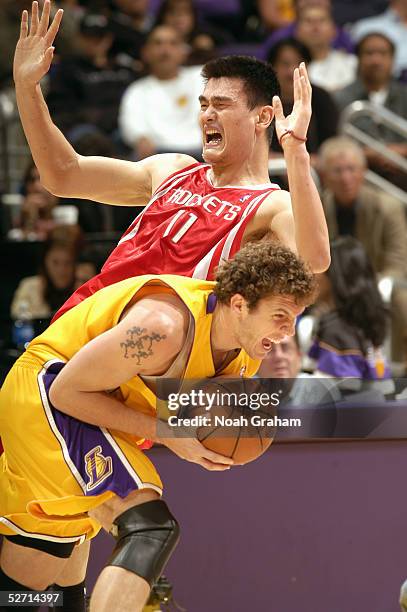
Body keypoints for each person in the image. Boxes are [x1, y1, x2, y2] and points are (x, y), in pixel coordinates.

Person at [0, 241, 317, 612]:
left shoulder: (246, 353)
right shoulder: (161, 328)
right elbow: (66, 392)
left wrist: (206, 440)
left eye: (295, 318)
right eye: (280, 315)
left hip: (92, 413)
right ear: (239, 304)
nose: (288, 331)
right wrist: (170, 434)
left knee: (36, 580)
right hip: (47, 394)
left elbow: (180, 417)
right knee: (150, 529)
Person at [12, 1, 330, 327]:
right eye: (204, 104)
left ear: (262, 117)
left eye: (221, 105)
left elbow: (314, 260)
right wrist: (27, 88)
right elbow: (62, 176)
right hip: (83, 321)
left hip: (155, 352)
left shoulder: (273, 205)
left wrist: (295, 151)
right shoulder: (172, 169)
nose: (207, 114)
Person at [319, 136, 407, 367]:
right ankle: (314, 363)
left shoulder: (388, 207)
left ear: (363, 172)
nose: (346, 178)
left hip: (378, 283)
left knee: (401, 301)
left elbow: (397, 259)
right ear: (325, 177)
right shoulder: (316, 208)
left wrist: (374, 289)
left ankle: (396, 366)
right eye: (338, 171)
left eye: (351, 169)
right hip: (331, 288)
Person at [309, 237, 391, 380]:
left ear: (335, 275)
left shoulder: (335, 333)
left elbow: (337, 395)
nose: (312, 274)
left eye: (319, 266)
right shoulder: (369, 325)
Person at [118, 24, 204, 159]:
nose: (165, 50)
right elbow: (131, 126)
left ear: (184, 51)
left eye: (173, 43)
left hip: (203, 152)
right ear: (145, 53)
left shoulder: (202, 77)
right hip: (159, 156)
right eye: (158, 43)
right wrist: (140, 139)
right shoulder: (137, 90)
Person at [333, 33, 407, 189]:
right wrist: (373, 154)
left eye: (382, 53)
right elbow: (333, 144)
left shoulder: (405, 95)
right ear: (358, 59)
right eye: (369, 53)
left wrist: (398, 151)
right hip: (357, 179)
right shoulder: (341, 98)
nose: (376, 60)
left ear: (392, 60)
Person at [267, 38, 339, 157]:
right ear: (273, 67)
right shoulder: (261, 99)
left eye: (298, 64)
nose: (292, 71)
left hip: (315, 168)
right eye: (285, 64)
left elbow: (332, 143)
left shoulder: (321, 98)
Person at [295, 4, 357, 92]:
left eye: (321, 21)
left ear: (334, 31)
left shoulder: (351, 64)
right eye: (308, 21)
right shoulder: (288, 68)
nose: (315, 27)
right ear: (297, 31)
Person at [11, 239, 76, 320]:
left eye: (68, 262)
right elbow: (17, 316)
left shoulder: (82, 286)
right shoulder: (28, 286)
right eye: (55, 262)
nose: (61, 270)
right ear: (45, 262)